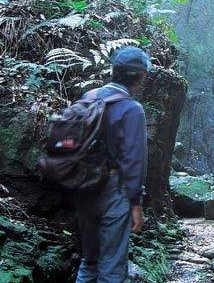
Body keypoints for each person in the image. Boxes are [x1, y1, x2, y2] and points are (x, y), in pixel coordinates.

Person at [74, 46, 151, 283]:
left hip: (82, 185)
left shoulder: (88, 97)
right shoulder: (131, 109)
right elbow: (134, 161)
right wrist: (136, 204)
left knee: (90, 260)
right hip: (114, 188)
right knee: (112, 268)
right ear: (140, 76)